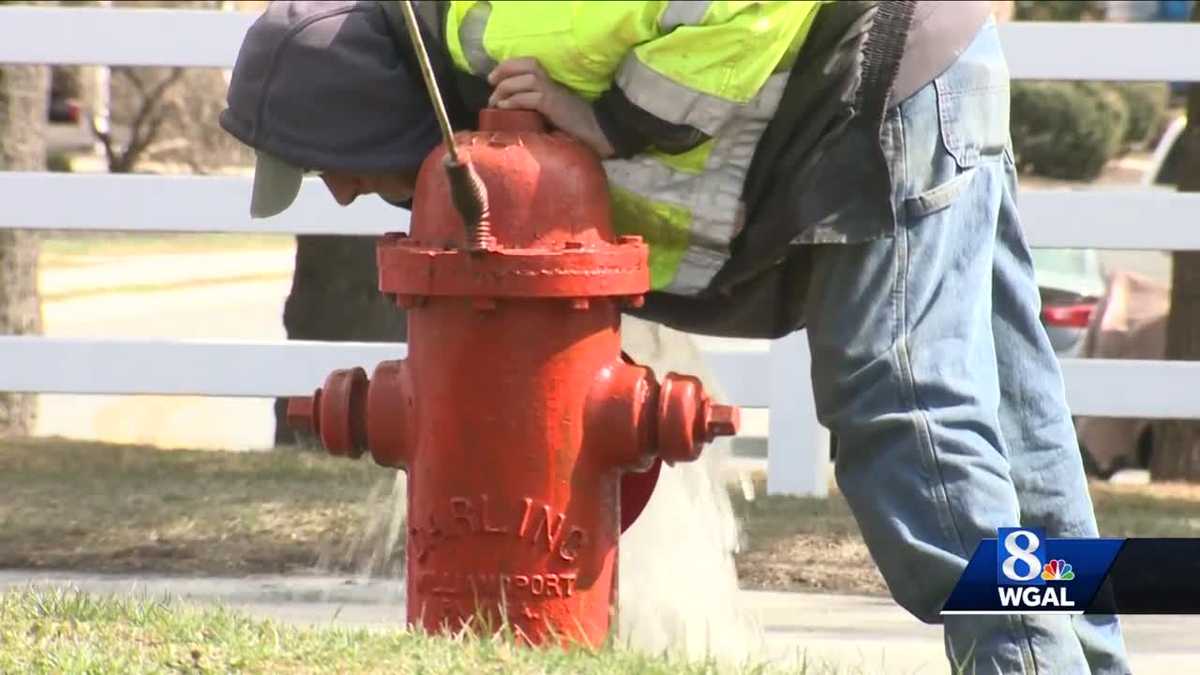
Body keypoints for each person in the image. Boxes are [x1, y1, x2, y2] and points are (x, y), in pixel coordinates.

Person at [220, 2, 1131, 671]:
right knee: (1019, 429)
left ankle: (1026, 662)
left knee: (905, 413)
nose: (341, 192)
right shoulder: (478, 62)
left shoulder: (504, 28)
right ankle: (1085, 659)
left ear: (367, 107)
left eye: (327, 164)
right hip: (929, 74)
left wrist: (614, 121)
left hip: (882, 81)